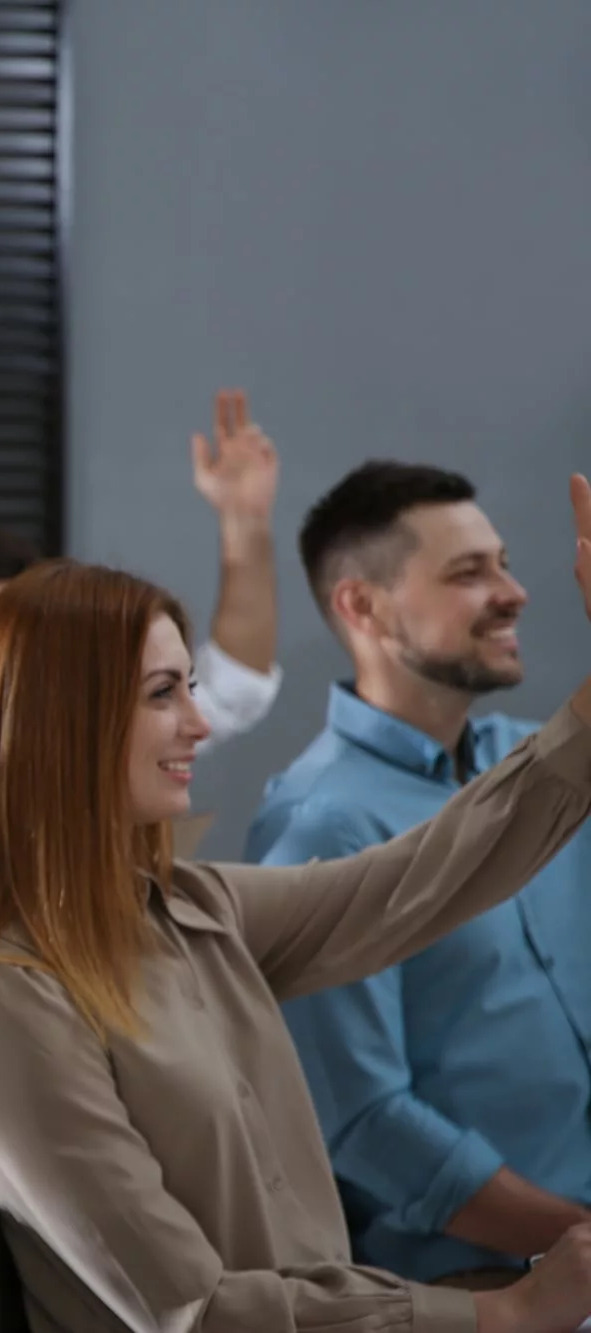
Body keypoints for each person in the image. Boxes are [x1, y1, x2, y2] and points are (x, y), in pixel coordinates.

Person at [0, 490, 591, 1333]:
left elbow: (423, 880)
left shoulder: (197, 907)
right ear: (64, 726)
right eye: (164, 693)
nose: (199, 722)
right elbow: (194, 1307)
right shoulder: (6, 998)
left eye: (188, 688)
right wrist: (507, 1311)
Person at [250, 462, 591, 1287]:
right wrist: (577, 1238)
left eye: (503, 562)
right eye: (469, 573)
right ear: (361, 605)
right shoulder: (319, 822)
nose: (513, 591)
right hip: (479, 1287)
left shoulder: (543, 762)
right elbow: (368, 1124)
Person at [0, 389, 283, 764]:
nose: (29, 650)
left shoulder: (76, 741)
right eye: (4, 628)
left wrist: (245, 522)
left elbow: (235, 684)